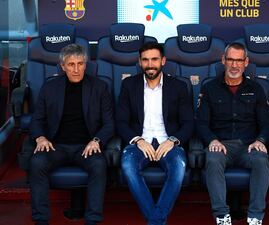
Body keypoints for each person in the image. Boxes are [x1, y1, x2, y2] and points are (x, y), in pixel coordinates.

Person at [29, 44, 114, 225]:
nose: (76, 69)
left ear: (86, 64)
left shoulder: (100, 87)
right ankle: (41, 220)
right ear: (63, 66)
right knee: (37, 163)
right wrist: (41, 138)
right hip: (56, 146)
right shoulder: (50, 87)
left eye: (80, 64)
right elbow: (37, 120)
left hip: (86, 146)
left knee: (99, 164)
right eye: (71, 64)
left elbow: (109, 123)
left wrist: (96, 140)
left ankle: (92, 220)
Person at [116, 42, 194, 225]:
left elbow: (189, 123)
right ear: (140, 62)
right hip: (139, 143)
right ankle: (157, 221)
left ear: (163, 61)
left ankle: (154, 221)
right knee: (128, 166)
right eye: (145, 60)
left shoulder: (178, 86)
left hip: (168, 142)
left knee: (178, 169)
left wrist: (173, 141)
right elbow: (121, 121)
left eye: (154, 59)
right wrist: (138, 140)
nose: (150, 64)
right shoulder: (129, 85)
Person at [196, 42, 269, 225]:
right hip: (221, 145)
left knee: (261, 159)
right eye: (230, 59)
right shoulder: (210, 88)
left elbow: (267, 122)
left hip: (249, 146)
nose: (234, 65)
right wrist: (212, 140)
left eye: (239, 60)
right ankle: (222, 216)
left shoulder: (256, 89)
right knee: (213, 159)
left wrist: (261, 140)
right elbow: (201, 123)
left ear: (246, 62)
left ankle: (255, 217)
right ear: (223, 60)